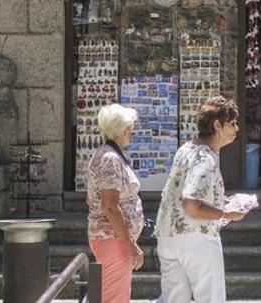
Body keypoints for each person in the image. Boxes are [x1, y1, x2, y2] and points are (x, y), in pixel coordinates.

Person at [154, 96, 248, 303]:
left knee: (173, 299)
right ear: (217, 125)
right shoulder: (205, 157)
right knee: (211, 298)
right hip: (196, 238)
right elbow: (191, 204)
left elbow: (183, 191)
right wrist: (226, 213)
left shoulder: (185, 149)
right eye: (232, 124)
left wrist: (218, 200)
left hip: (167, 235)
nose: (236, 129)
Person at [87, 104, 145, 303]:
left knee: (116, 295)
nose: (132, 132)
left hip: (113, 238)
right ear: (121, 130)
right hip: (113, 240)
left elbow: (92, 198)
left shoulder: (108, 155)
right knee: (114, 298)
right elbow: (110, 206)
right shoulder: (110, 158)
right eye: (130, 128)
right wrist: (130, 244)